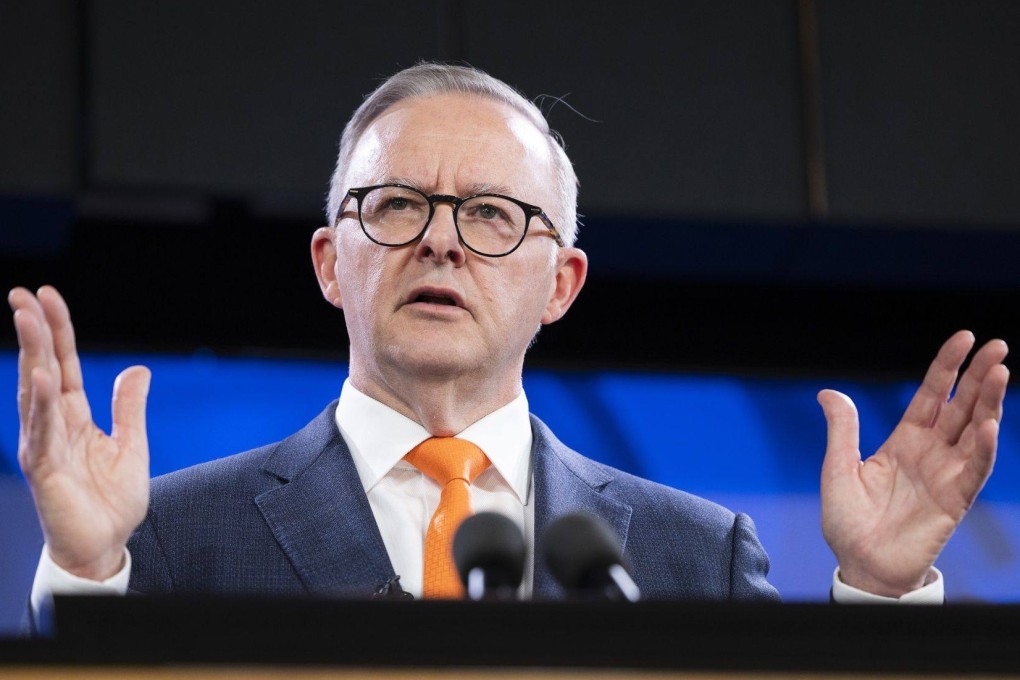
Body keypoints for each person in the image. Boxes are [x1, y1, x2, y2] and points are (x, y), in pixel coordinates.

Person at [9, 64, 1010, 614]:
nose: (441, 238)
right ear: (328, 260)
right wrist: (88, 575)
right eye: (397, 203)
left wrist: (879, 595)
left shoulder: (694, 557)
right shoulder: (175, 539)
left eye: (491, 214)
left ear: (560, 282)